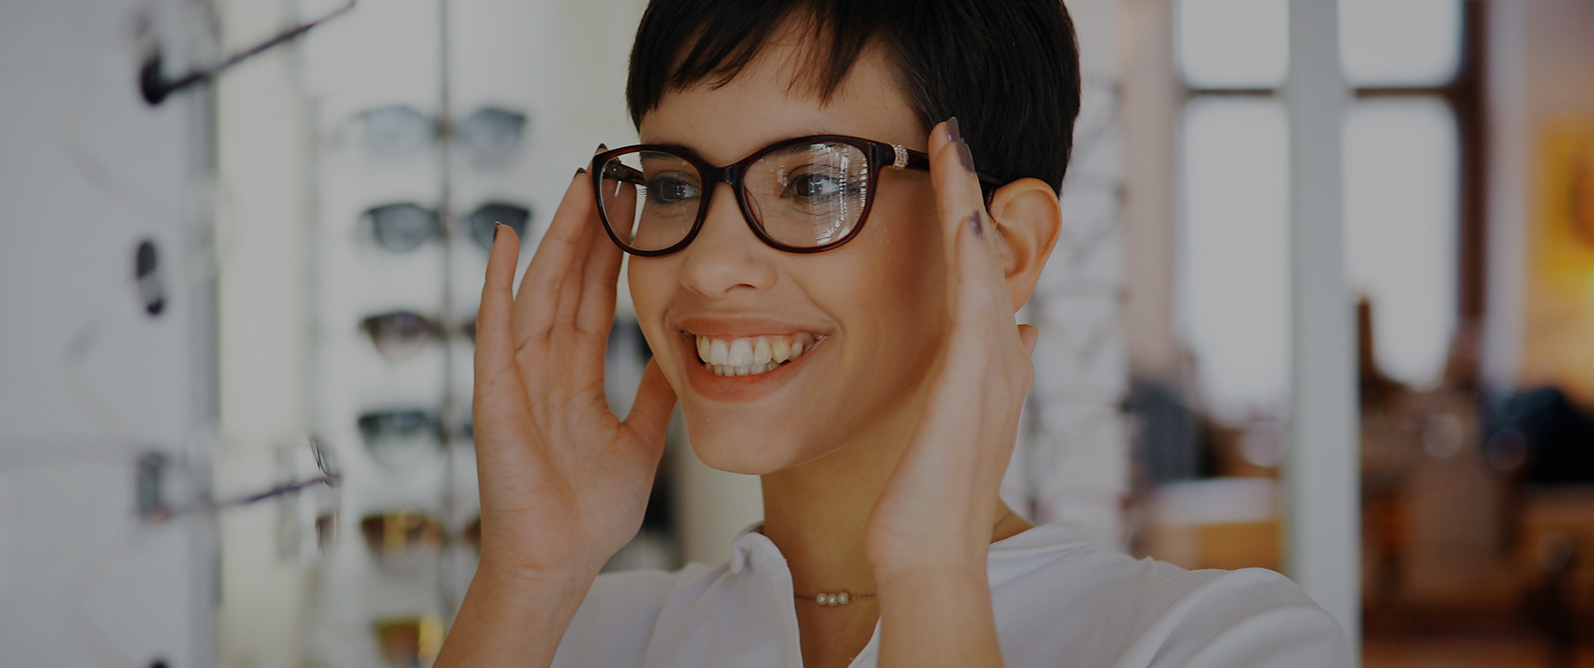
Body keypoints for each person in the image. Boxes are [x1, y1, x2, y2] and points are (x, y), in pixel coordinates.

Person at [436, 0, 1355, 666]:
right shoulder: (569, 632)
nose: (710, 267)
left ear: (1004, 246)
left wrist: (932, 577)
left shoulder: (1217, 644)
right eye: (675, 183)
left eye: (815, 183)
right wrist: (528, 572)